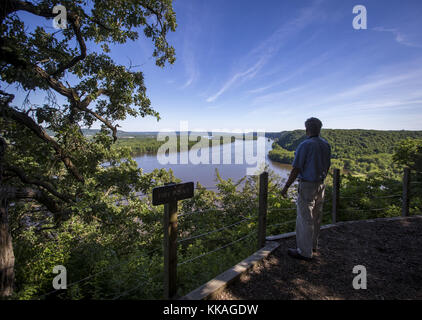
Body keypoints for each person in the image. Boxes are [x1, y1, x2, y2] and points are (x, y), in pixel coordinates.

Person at [281, 117, 331, 261]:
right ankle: (313, 246)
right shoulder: (326, 145)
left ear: (307, 129)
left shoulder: (305, 145)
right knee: (316, 216)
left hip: (307, 185)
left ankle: (304, 252)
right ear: (319, 129)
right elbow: (327, 166)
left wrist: (286, 187)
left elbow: (296, 168)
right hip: (321, 184)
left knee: (304, 218)